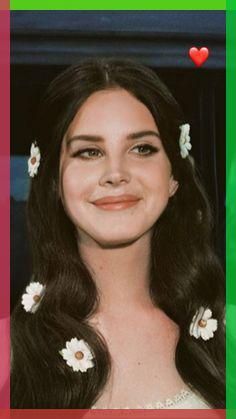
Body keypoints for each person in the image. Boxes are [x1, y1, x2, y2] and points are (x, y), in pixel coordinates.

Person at [11, 57, 225, 409]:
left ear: (173, 176)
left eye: (142, 149)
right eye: (89, 151)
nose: (116, 173)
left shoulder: (226, 336)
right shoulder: (10, 353)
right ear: (54, 183)